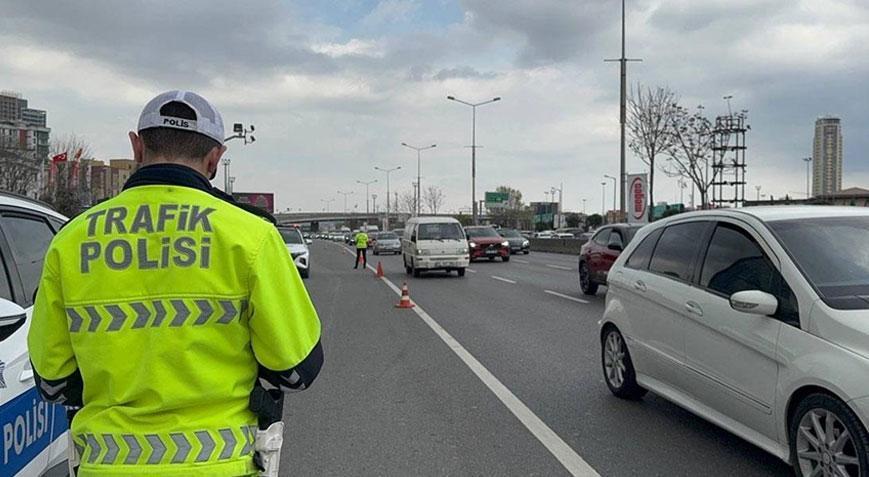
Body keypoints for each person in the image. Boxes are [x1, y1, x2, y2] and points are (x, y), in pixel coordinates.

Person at [28, 90, 323, 477]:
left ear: (137, 147)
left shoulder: (72, 240)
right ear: (215, 158)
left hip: (105, 466)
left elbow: (52, 381)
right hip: (221, 467)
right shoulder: (251, 236)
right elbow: (298, 369)